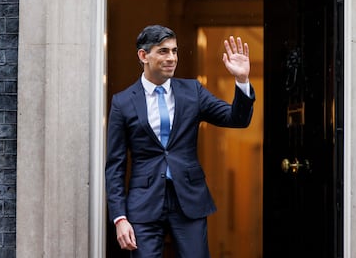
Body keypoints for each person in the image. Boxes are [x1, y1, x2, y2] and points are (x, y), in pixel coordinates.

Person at [105, 25, 255, 258]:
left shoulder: (192, 91)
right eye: (163, 51)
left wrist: (242, 80)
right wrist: (119, 218)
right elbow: (114, 166)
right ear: (143, 56)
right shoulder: (122, 102)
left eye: (174, 51)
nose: (172, 58)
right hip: (144, 204)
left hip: (189, 199)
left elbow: (236, 119)